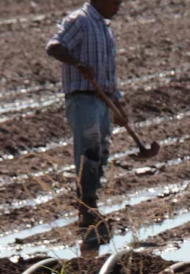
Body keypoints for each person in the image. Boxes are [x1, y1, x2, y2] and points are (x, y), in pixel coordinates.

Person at [46, 0, 128, 240]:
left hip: (102, 99)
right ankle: (85, 209)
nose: (119, 6)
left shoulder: (104, 27)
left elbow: (108, 72)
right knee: (89, 149)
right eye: (116, 1)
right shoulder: (79, 21)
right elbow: (54, 46)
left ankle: (91, 204)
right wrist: (78, 64)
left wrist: (118, 105)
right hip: (82, 98)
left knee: (100, 151)